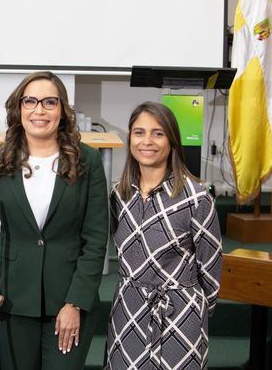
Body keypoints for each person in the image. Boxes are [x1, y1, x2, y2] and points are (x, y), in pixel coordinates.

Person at [0, 71, 109, 369]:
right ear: (18, 108)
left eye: (50, 102)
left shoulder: (88, 161)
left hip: (69, 301)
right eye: (30, 101)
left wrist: (75, 302)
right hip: (12, 299)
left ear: (62, 110)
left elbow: (96, 239)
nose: (39, 110)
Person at [106, 101, 222, 369]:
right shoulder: (119, 194)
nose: (147, 141)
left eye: (158, 133)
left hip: (179, 315)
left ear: (172, 141)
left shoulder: (197, 198)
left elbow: (211, 271)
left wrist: (193, 313)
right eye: (139, 132)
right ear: (130, 138)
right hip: (128, 309)